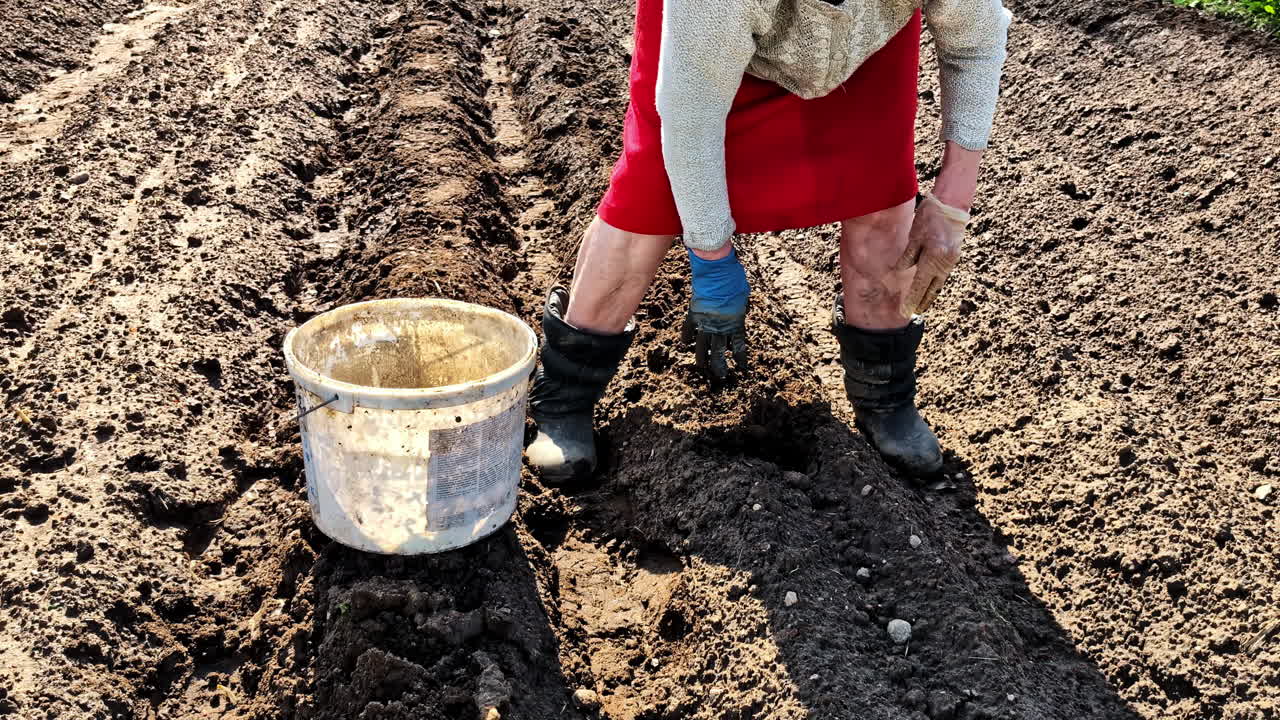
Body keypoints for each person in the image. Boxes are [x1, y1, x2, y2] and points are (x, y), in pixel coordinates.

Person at [526, 0, 1012, 483]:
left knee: (880, 197)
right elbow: (690, 113)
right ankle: (565, 396)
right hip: (708, 47)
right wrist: (711, 256)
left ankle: (885, 398)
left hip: (867, 45)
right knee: (647, 206)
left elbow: (975, 42)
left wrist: (952, 199)